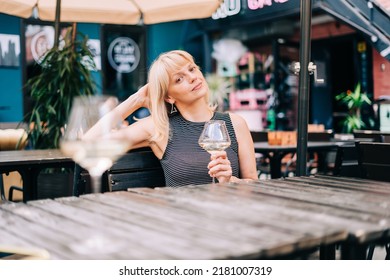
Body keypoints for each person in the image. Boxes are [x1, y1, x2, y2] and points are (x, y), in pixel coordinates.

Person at [88, 50, 258, 186]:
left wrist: (230, 181)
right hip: (180, 221)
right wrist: (136, 100)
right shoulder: (159, 128)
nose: (192, 77)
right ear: (169, 97)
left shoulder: (235, 123)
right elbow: (88, 142)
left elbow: (253, 184)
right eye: (179, 79)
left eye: (192, 69)